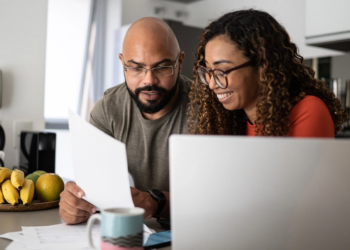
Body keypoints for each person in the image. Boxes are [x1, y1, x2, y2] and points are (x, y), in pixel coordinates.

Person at [59, 17, 191, 224]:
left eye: (162, 68)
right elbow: (94, 188)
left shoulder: (208, 109)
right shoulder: (108, 108)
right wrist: (76, 204)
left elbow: (219, 197)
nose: (148, 80)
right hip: (130, 234)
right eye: (136, 68)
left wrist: (154, 202)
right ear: (122, 63)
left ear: (180, 62)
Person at [188, 9, 348, 136]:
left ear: (262, 68)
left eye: (222, 71)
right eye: (208, 71)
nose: (211, 84)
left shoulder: (308, 111)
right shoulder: (231, 121)